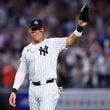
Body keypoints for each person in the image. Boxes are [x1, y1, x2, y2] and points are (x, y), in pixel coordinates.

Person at [9, 4, 91, 110]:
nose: (37, 31)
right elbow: (21, 71)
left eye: (39, 29)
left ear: (43, 30)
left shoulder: (52, 43)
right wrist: (14, 90)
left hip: (48, 87)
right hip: (32, 89)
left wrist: (80, 27)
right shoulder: (26, 50)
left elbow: (71, 41)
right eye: (34, 29)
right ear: (30, 31)